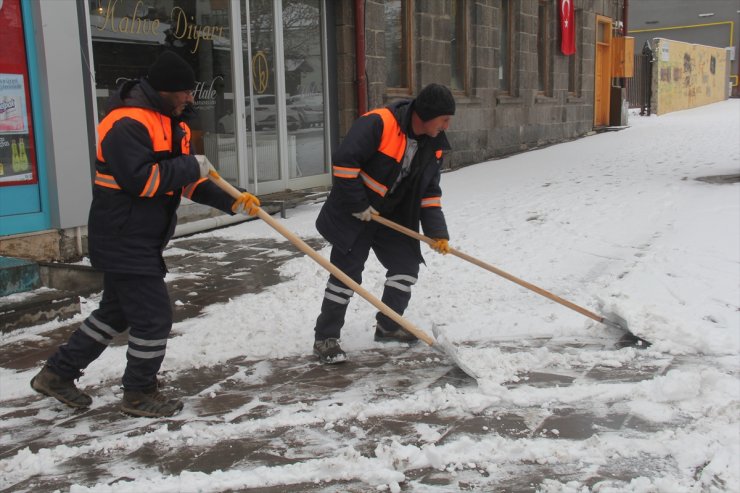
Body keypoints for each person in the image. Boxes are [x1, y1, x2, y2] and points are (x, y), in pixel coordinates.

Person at [30, 51, 261, 417]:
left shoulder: (173, 123)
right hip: (122, 236)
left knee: (115, 313)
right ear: (164, 89)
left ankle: (57, 374)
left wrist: (233, 202)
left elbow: (187, 183)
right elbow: (143, 181)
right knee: (154, 318)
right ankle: (139, 393)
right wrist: (188, 164)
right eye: (184, 91)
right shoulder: (127, 124)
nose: (190, 98)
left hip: (141, 237)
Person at [312, 83, 455, 364]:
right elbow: (343, 164)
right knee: (345, 275)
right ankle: (325, 337)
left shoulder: (434, 144)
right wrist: (359, 205)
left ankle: (388, 325)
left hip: (393, 217)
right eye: (444, 119)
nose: (446, 126)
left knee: (405, 267)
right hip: (355, 213)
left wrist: (437, 233)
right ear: (426, 115)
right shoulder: (379, 123)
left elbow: (429, 192)